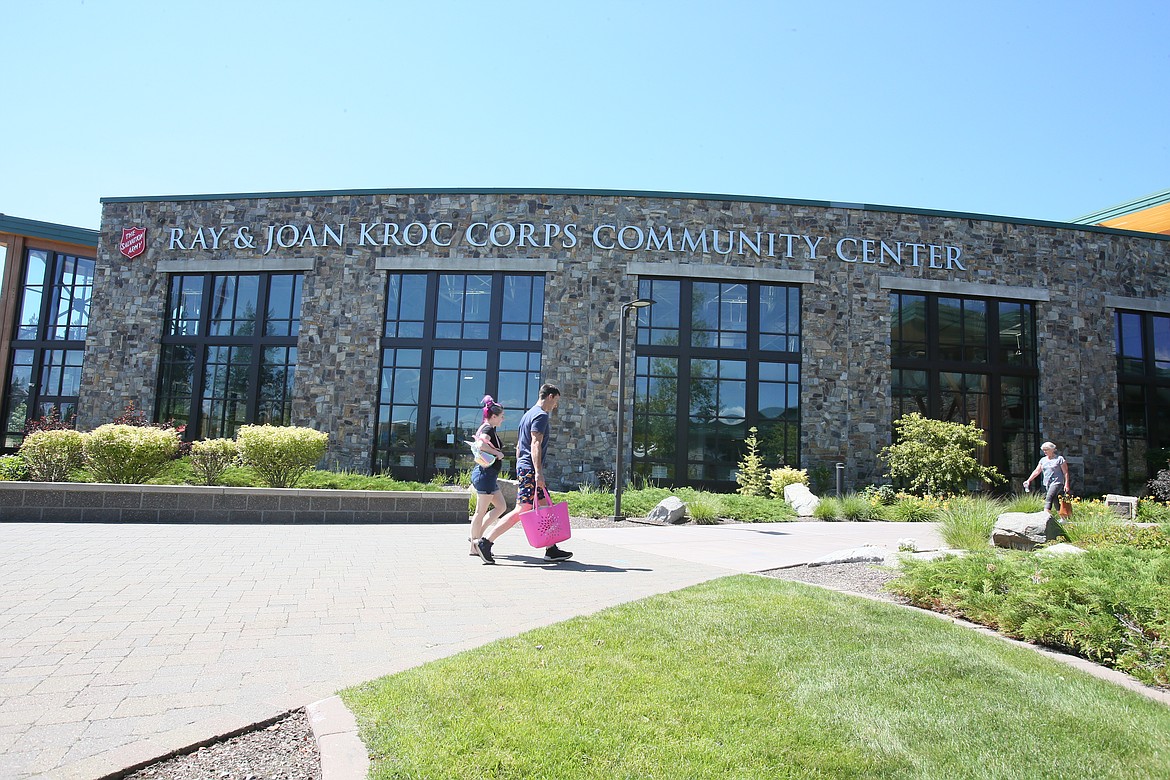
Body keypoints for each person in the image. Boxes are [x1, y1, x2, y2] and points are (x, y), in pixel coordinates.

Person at [474, 384, 572, 564]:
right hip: (531, 470)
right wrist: (537, 473)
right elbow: (535, 444)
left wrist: (522, 467)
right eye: (556, 401)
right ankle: (486, 542)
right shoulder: (541, 415)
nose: (556, 405)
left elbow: (520, 446)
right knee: (523, 508)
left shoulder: (528, 414)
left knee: (545, 507)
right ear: (549, 396)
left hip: (526, 468)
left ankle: (551, 549)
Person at [467, 396, 507, 556]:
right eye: (501, 416)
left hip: (488, 476)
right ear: (494, 416)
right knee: (479, 512)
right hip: (485, 475)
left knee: (501, 507)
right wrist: (497, 452)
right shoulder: (487, 429)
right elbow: (482, 443)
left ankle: (476, 538)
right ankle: (474, 546)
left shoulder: (489, 428)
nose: (503, 419)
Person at [1023, 441, 1071, 513]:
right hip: (1047, 483)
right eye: (1043, 450)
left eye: (1046, 450)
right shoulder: (1043, 460)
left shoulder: (1059, 459)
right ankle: (1063, 518)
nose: (1044, 451)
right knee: (1055, 499)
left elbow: (1065, 472)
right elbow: (1037, 471)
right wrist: (1029, 480)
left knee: (1049, 497)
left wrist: (1066, 484)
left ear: (1052, 449)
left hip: (1057, 482)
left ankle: (1045, 515)